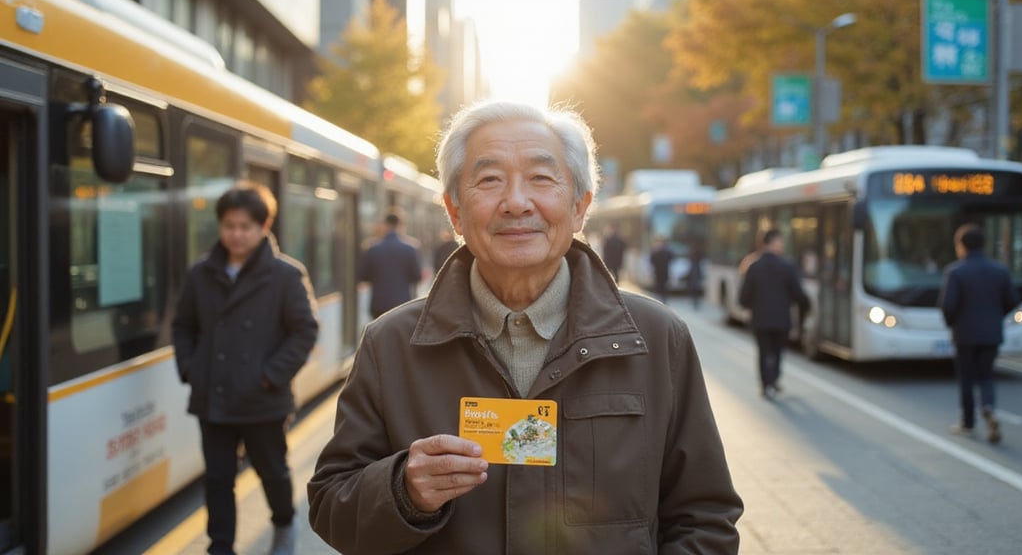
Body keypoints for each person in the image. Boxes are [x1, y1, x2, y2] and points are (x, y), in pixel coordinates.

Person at [308, 100, 742, 554]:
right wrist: (403, 491)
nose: (516, 203)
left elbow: (705, 519)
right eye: (490, 180)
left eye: (541, 178)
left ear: (579, 208)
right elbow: (330, 507)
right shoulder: (391, 343)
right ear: (455, 212)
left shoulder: (656, 339)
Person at [172, 182, 319, 555]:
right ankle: (220, 546)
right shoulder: (202, 273)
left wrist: (270, 375)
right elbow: (183, 325)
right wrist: (191, 369)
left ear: (264, 225)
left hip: (263, 398)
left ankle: (284, 524)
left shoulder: (285, 275)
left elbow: (304, 331)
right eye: (228, 226)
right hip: (213, 395)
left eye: (244, 226)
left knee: (272, 472)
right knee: (218, 479)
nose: (235, 234)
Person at [939, 224, 1020, 443]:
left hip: (965, 334)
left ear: (961, 245)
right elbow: (1012, 301)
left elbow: (948, 306)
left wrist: (953, 324)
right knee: (986, 376)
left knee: (966, 378)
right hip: (992, 333)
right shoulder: (1000, 270)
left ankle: (968, 422)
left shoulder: (956, 271)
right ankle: (989, 408)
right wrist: (995, 317)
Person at [739, 229, 809, 399]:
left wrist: (752, 306)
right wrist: (803, 310)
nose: (783, 245)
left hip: (760, 319)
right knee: (777, 352)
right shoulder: (787, 266)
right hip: (781, 319)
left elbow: (744, 297)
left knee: (763, 352)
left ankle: (766, 384)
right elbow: (798, 294)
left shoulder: (754, 266)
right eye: (781, 242)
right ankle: (774, 380)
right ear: (773, 243)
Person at [358, 211, 423, 318]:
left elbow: (364, 276)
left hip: (379, 304)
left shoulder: (373, 249)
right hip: (402, 304)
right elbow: (417, 276)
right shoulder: (410, 249)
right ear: (400, 226)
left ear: (385, 225)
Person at [649, 236, 674, 303]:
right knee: (660, 286)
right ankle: (661, 300)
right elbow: (652, 261)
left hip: (662, 272)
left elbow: (671, 258)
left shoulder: (663, 252)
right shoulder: (658, 252)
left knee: (662, 286)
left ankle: (661, 300)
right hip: (660, 272)